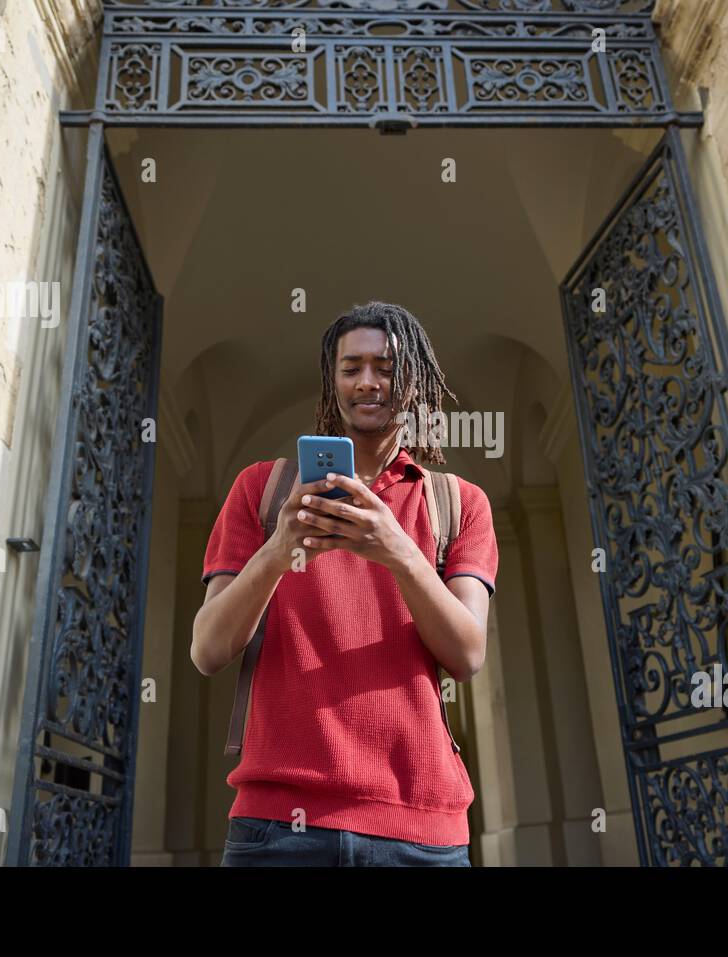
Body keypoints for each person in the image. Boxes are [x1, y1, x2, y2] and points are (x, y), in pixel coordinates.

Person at [191, 300, 499, 867]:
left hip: (420, 829)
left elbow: (467, 653)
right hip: (278, 828)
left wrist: (399, 551)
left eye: (386, 367)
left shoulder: (460, 503)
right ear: (331, 384)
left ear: (414, 383)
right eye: (351, 367)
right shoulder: (262, 489)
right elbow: (208, 650)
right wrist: (280, 550)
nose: (368, 382)